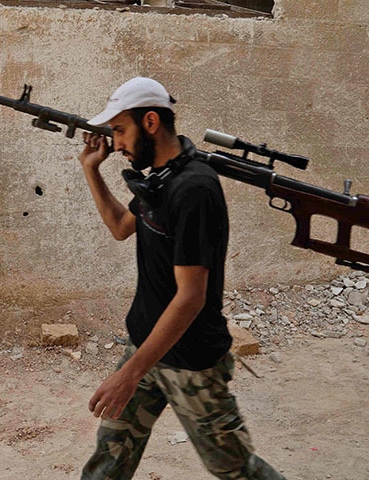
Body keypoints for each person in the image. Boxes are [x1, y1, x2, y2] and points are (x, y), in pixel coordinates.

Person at [77, 77, 285, 480]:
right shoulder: (160, 178)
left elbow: (191, 298)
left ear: (150, 121)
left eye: (120, 130)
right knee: (109, 461)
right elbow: (121, 226)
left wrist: (128, 374)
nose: (116, 143)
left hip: (192, 362)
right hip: (147, 347)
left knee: (237, 470)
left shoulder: (194, 188)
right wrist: (91, 170)